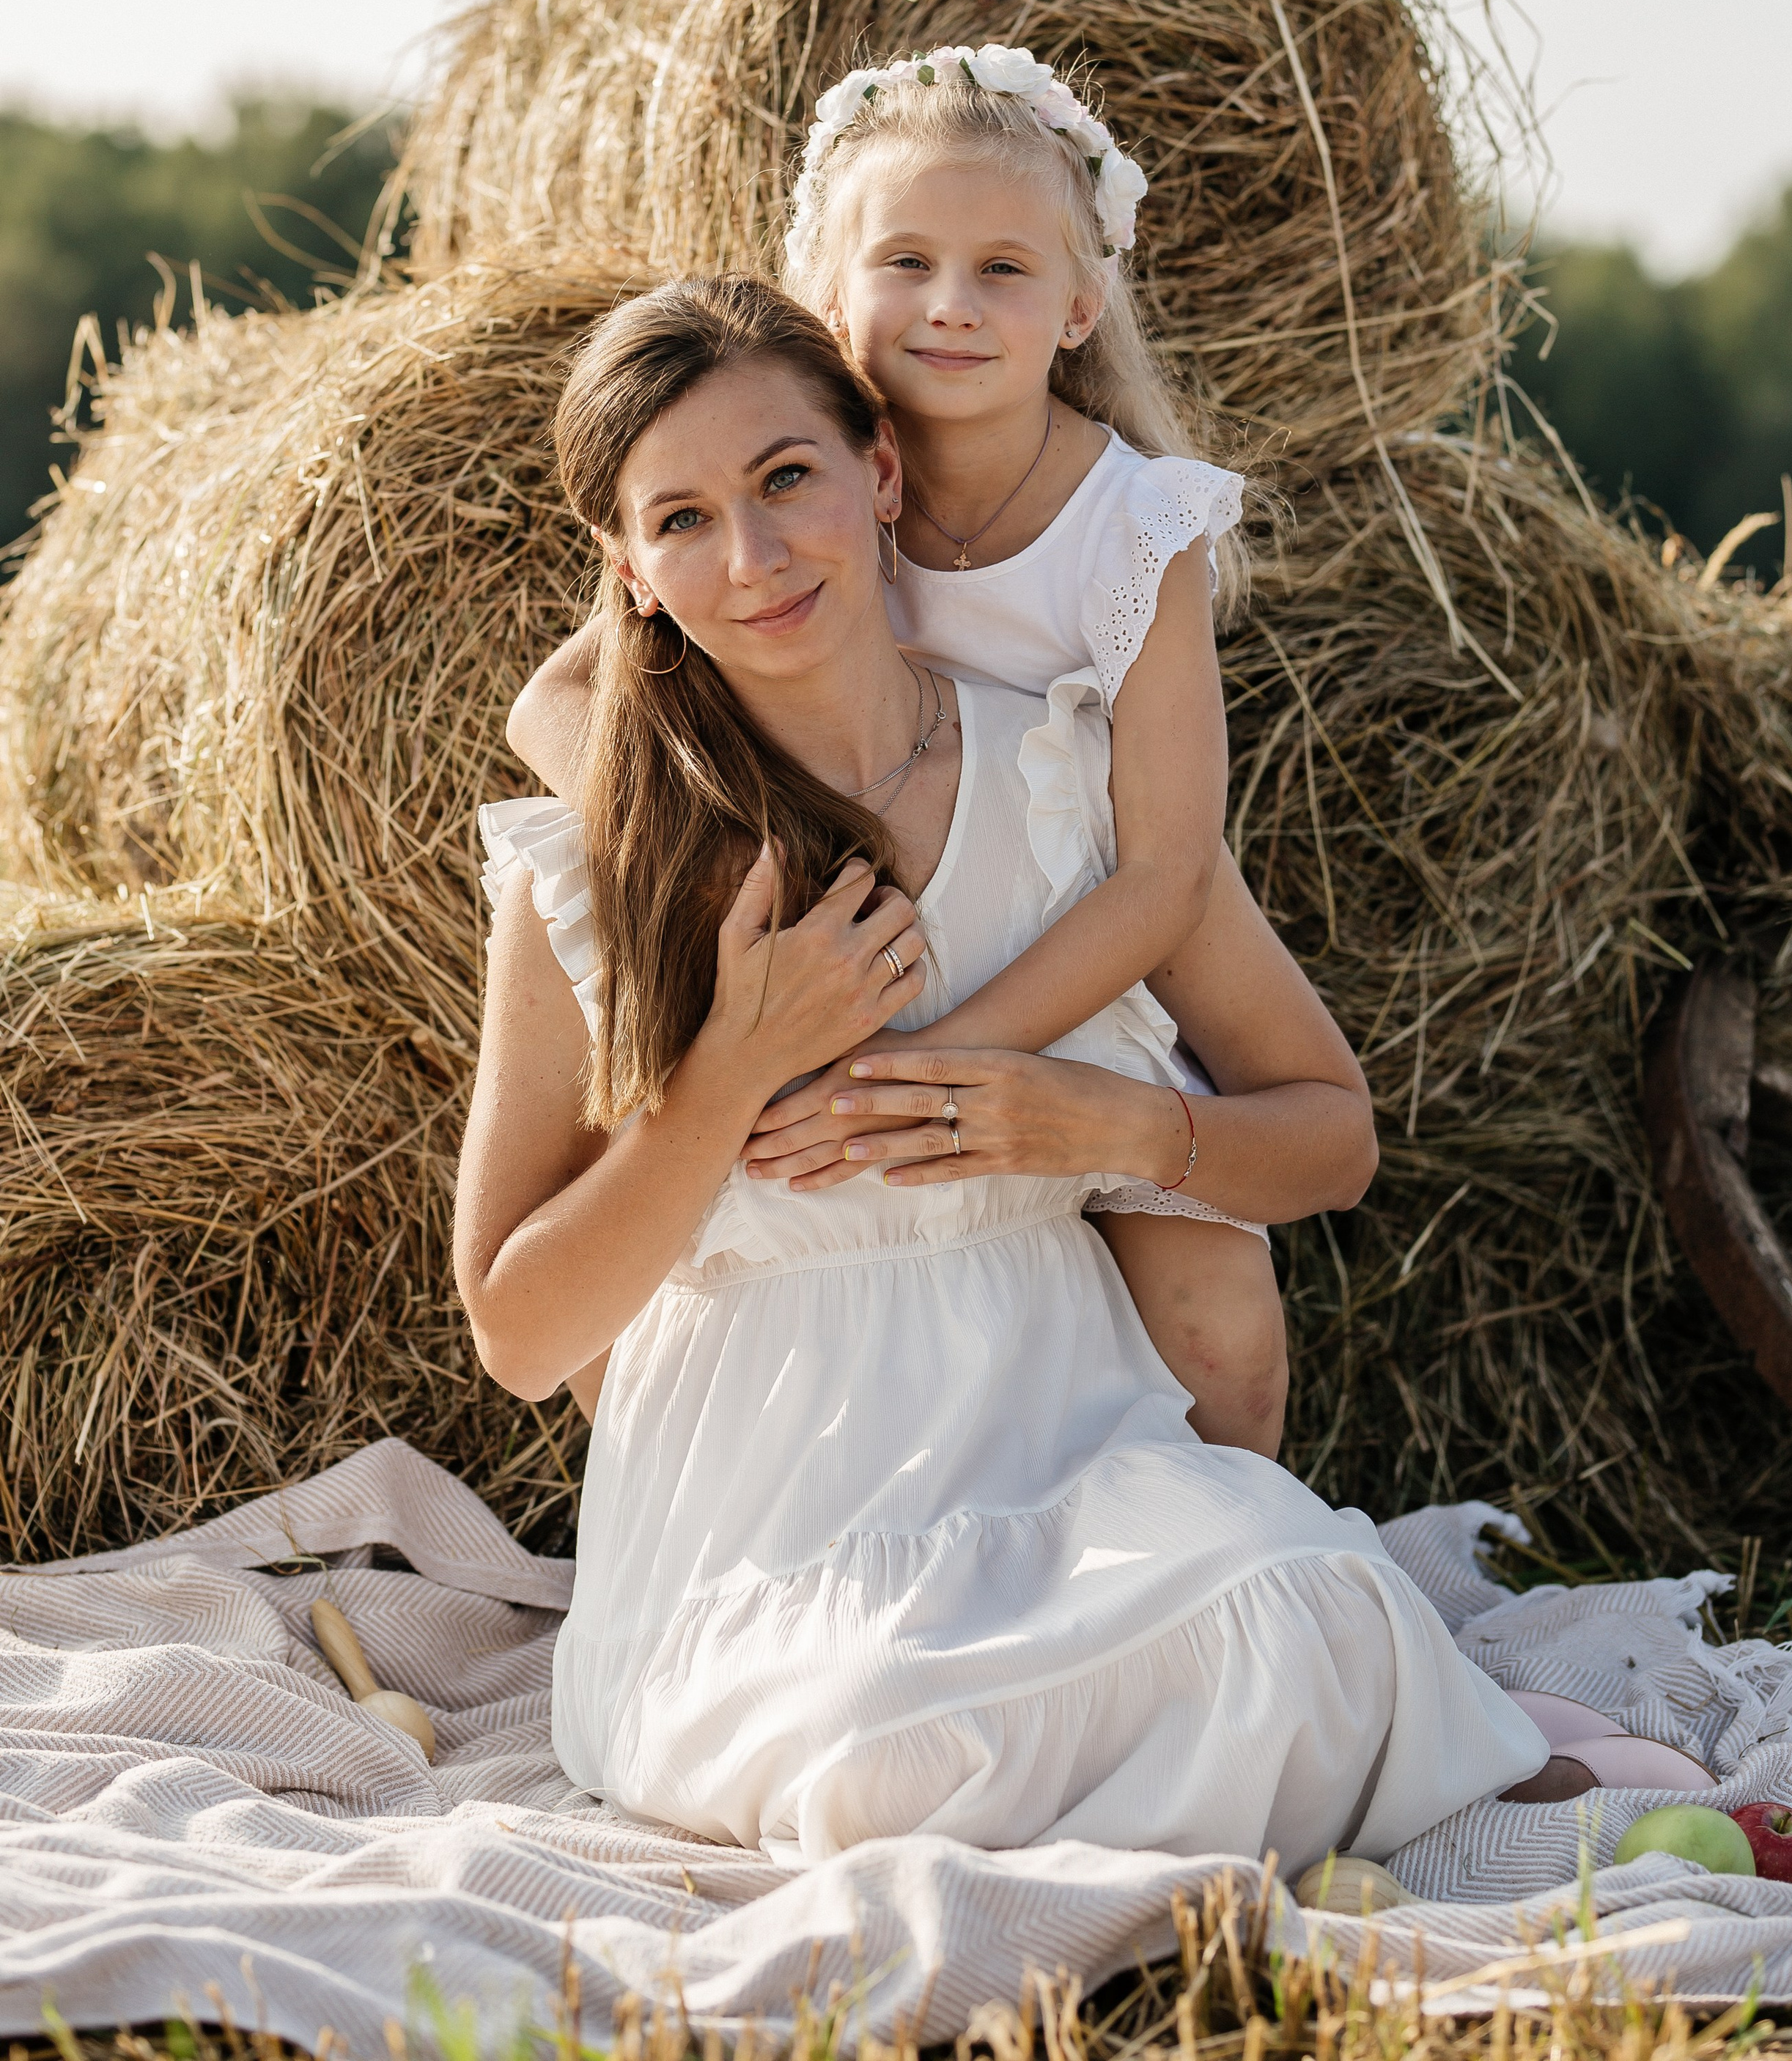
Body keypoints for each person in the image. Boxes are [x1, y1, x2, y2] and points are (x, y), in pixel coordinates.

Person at [455, 273, 1557, 1868]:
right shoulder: (589, 869)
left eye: (786, 479)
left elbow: (1331, 1140)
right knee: (898, 1748)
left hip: (1072, 1457)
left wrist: (1100, 1122)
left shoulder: (1069, 787)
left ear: (878, 474)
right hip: (772, 1528)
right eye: (682, 520)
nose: (753, 557)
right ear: (628, 572)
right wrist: (725, 1077)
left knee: (1303, 1612)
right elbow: (518, 1331)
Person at [506, 43, 1283, 1447]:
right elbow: (556, 706)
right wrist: (741, 846)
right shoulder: (776, 462)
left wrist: (944, 1070)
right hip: (876, 859)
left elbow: (1168, 870)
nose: (951, 306)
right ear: (833, 295)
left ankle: (1227, 1518)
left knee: (1217, 1305)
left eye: (1003, 269)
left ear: (1082, 304)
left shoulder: (1130, 525)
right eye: (908, 263)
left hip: (1058, 897)